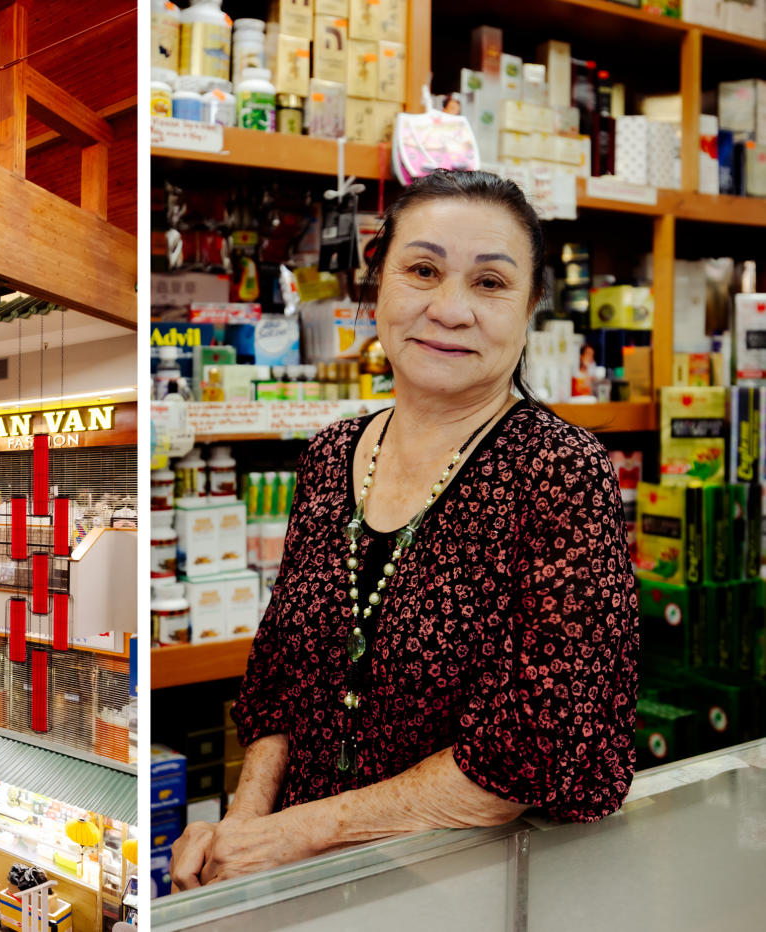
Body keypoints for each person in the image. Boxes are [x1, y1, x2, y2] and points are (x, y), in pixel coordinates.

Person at [169, 171, 638, 891]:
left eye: (489, 283)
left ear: (531, 305)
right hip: (311, 887)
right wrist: (244, 831)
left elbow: (540, 747)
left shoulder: (561, 471)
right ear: (377, 285)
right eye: (422, 270)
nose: (449, 310)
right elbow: (280, 675)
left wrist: (295, 834)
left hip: (474, 887)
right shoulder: (330, 456)